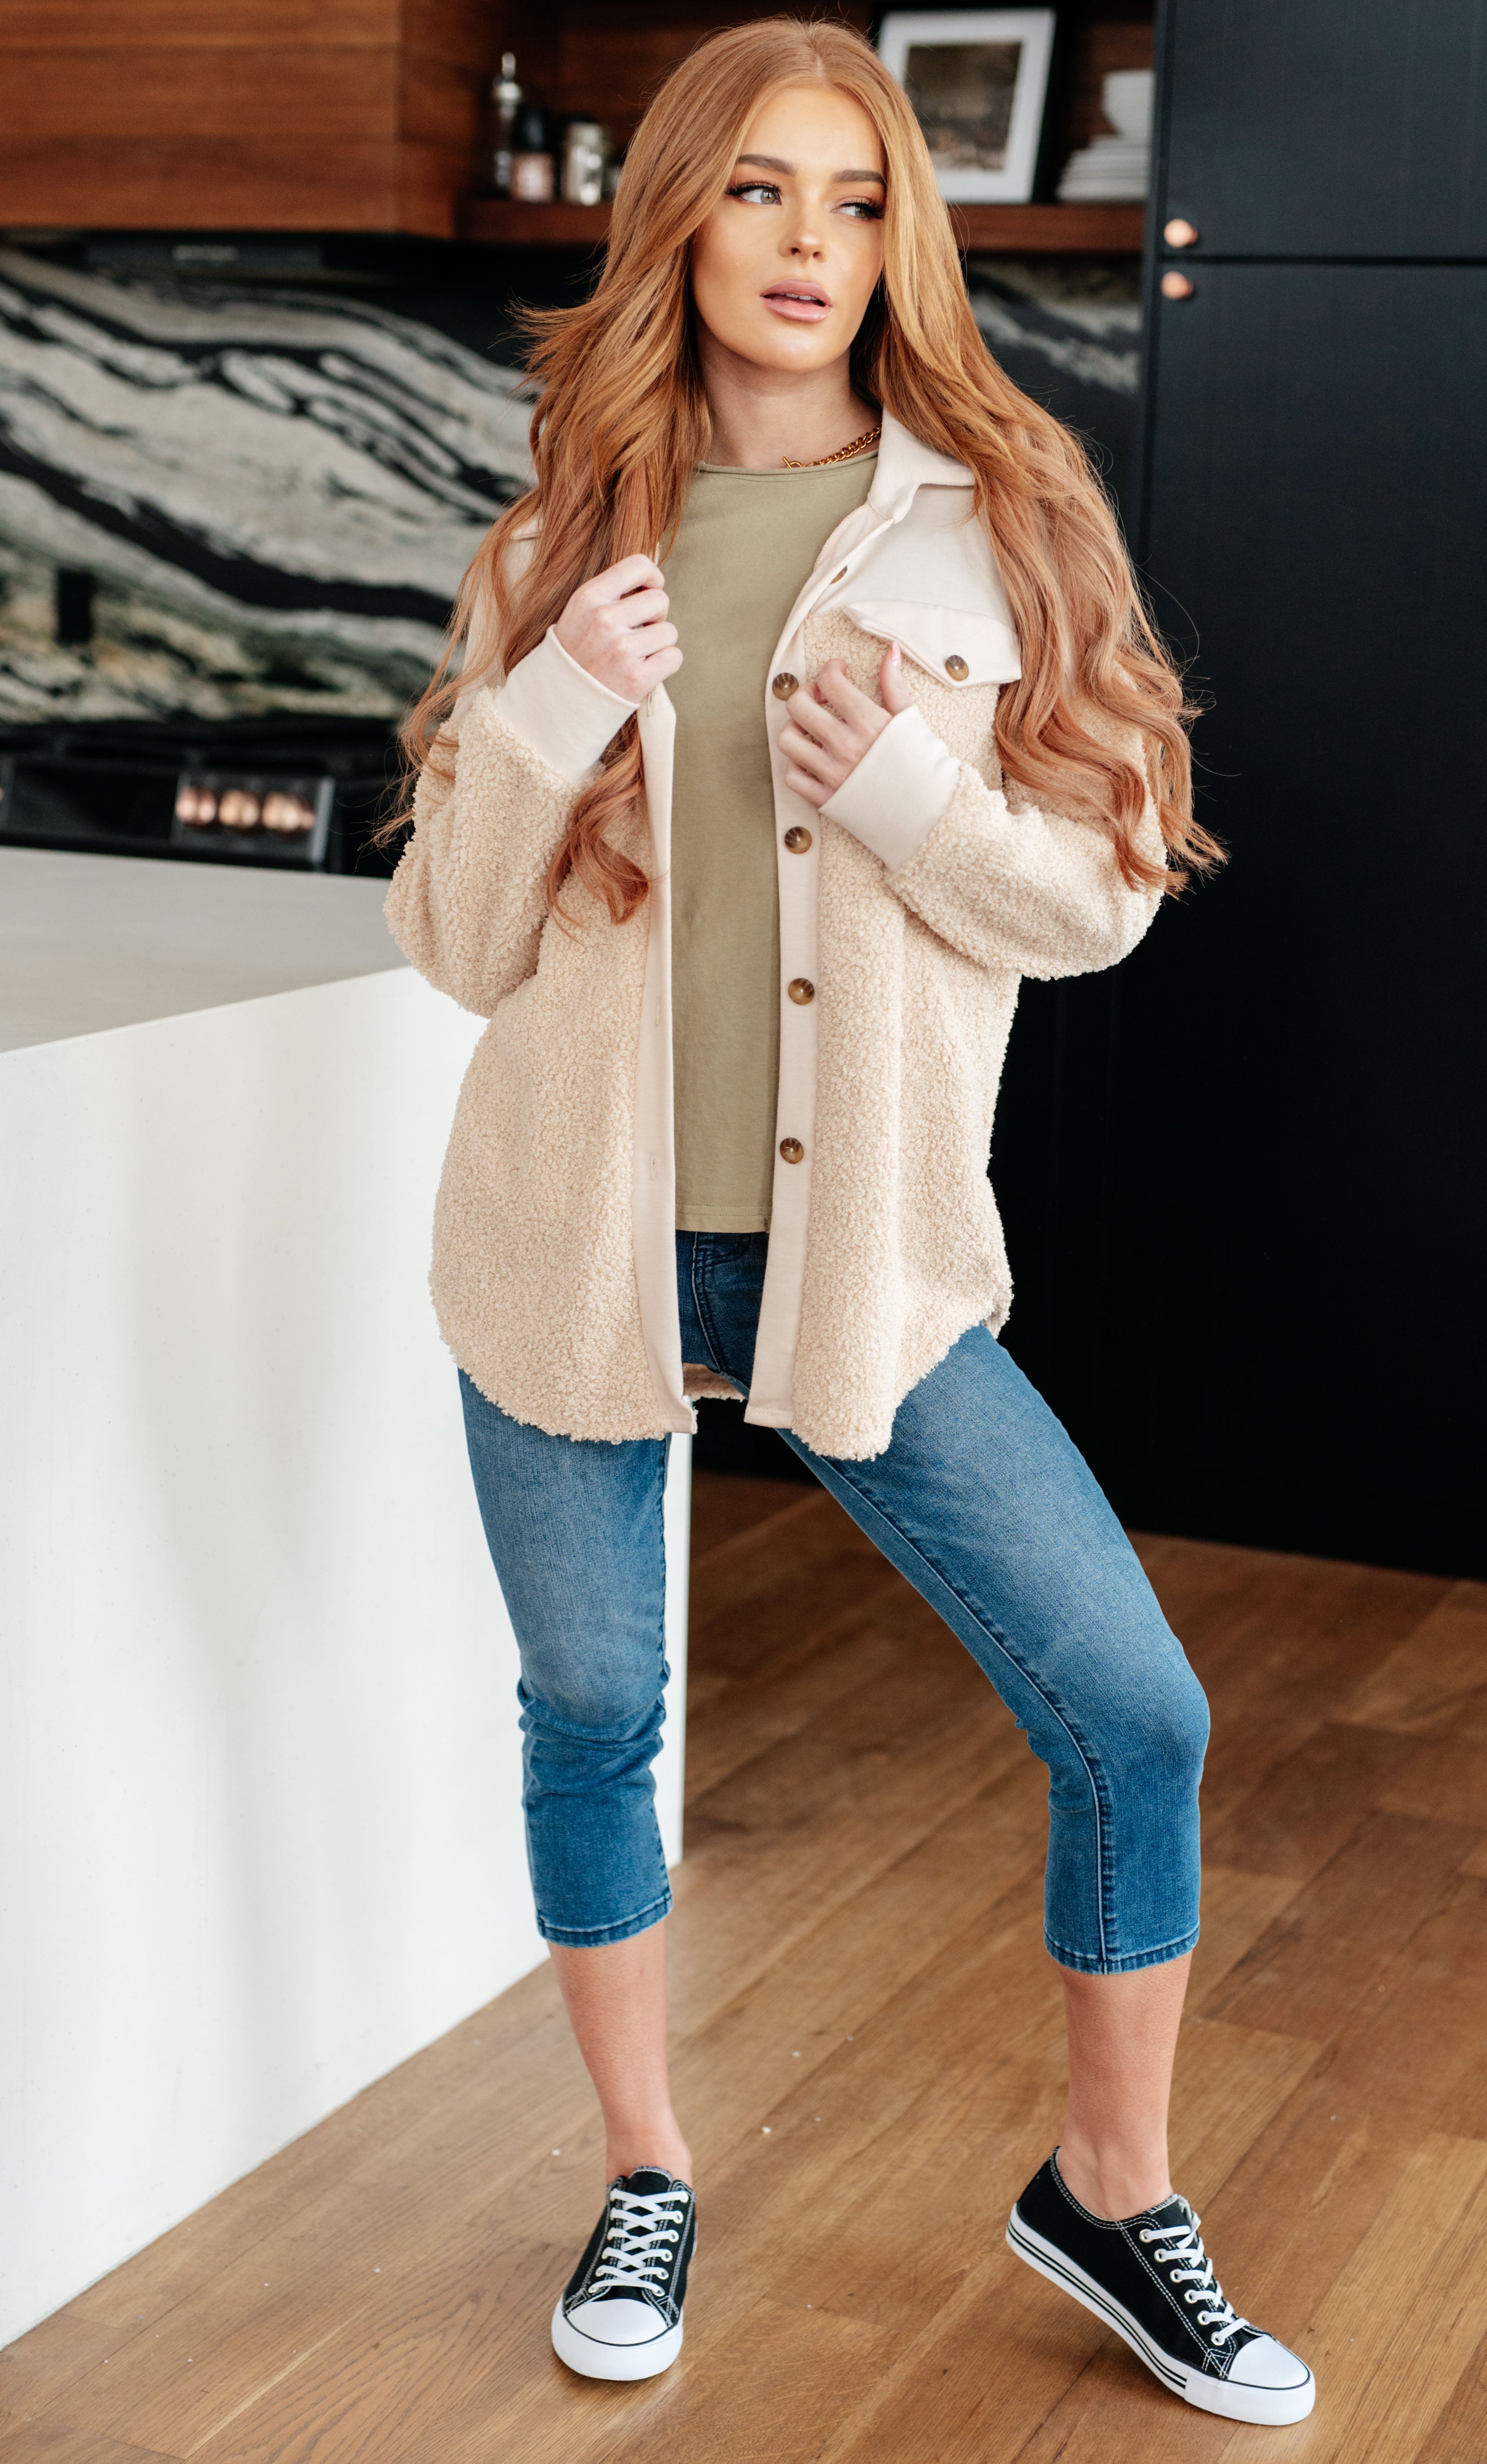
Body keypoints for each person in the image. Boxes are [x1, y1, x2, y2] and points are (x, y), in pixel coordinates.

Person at [386, 14, 1314, 2431]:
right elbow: (457, 946)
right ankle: (646, 2168)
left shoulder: (999, 520)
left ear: (904, 236)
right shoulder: (549, 544)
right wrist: (539, 724)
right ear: (679, 217)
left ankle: (1113, 2194)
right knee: (597, 1715)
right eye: (765, 193)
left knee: (1136, 1714)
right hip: (572, 1246)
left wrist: (913, 792)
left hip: (876, 1270)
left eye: (861, 197)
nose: (813, 245)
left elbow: (1103, 900)